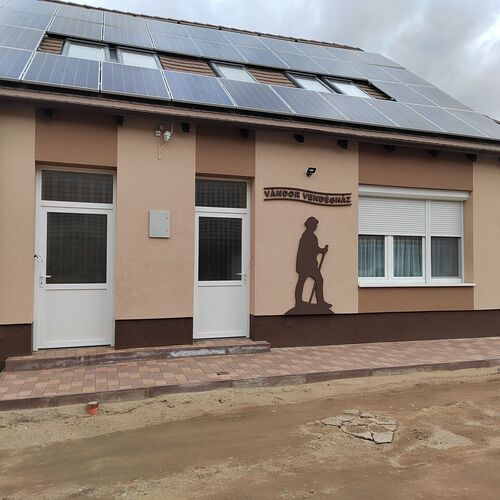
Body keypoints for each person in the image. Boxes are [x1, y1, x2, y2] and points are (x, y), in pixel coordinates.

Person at [294, 216, 331, 308]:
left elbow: (313, 249)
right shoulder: (309, 236)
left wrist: (321, 250)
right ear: (310, 225)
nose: (316, 226)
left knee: (303, 281)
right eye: (314, 224)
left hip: (306, 264)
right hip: (308, 264)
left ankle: (300, 301)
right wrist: (322, 250)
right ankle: (318, 302)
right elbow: (313, 249)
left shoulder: (307, 235)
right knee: (318, 280)